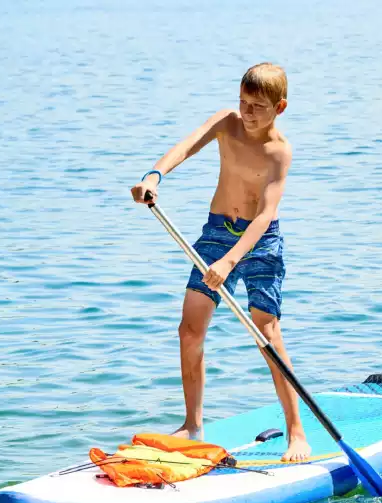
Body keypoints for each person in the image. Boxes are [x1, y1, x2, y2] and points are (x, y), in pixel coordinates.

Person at [129, 63, 311, 462]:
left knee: (266, 335)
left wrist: (230, 262)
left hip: (260, 243)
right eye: (243, 102)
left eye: (257, 107)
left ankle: (297, 432)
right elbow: (188, 145)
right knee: (189, 329)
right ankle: (193, 425)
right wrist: (154, 176)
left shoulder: (279, 152)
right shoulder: (227, 123)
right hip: (216, 234)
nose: (247, 113)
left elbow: (265, 215)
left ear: (279, 107)